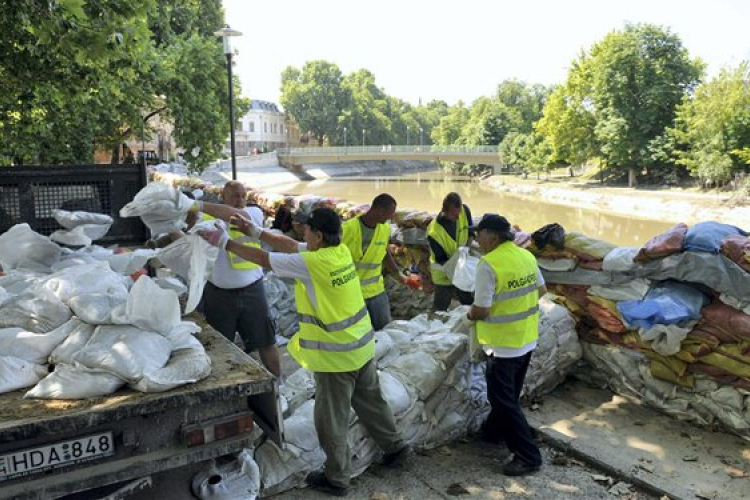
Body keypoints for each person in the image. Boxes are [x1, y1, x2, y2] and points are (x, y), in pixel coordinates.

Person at [199, 207, 409, 497]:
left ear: (319, 235)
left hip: (337, 358)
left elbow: (264, 259)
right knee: (372, 402)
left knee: (330, 420)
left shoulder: (312, 263)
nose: (302, 234)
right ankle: (396, 448)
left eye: (307, 230)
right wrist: (256, 232)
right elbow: (289, 246)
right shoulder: (340, 251)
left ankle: (337, 478)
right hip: (361, 346)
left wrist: (224, 242)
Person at [466, 214, 545, 477]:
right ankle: (493, 432)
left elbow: (482, 308)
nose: (476, 239)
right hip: (526, 337)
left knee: (503, 401)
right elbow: (541, 291)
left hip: (502, 345)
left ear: (493, 237)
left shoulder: (489, 264)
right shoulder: (526, 256)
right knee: (508, 396)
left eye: (479, 234)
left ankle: (528, 455)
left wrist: (469, 315)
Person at [193, 181, 281, 377]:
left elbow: (234, 216)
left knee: (266, 341)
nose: (240, 200)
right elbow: (189, 226)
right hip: (219, 295)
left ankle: (278, 382)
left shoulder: (254, 214)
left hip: (253, 290)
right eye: (234, 195)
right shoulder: (208, 219)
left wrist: (198, 205)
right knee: (220, 346)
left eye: (243, 195)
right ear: (223, 197)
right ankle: (224, 383)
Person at [341, 193, 407, 330]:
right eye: (390, 213)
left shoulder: (384, 229)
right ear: (378, 210)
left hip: (376, 291)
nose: (392, 217)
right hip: (352, 292)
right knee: (359, 330)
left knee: (385, 329)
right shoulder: (348, 229)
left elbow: (385, 254)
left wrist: (399, 275)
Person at [426, 192, 475, 311]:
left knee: (468, 302)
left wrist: (465, 251)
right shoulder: (434, 232)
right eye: (454, 215)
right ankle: (436, 326)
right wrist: (457, 271)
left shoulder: (464, 210)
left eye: (459, 213)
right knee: (440, 307)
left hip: (461, 266)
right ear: (443, 210)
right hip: (443, 271)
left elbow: (471, 233)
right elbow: (441, 259)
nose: (458, 218)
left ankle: (470, 325)